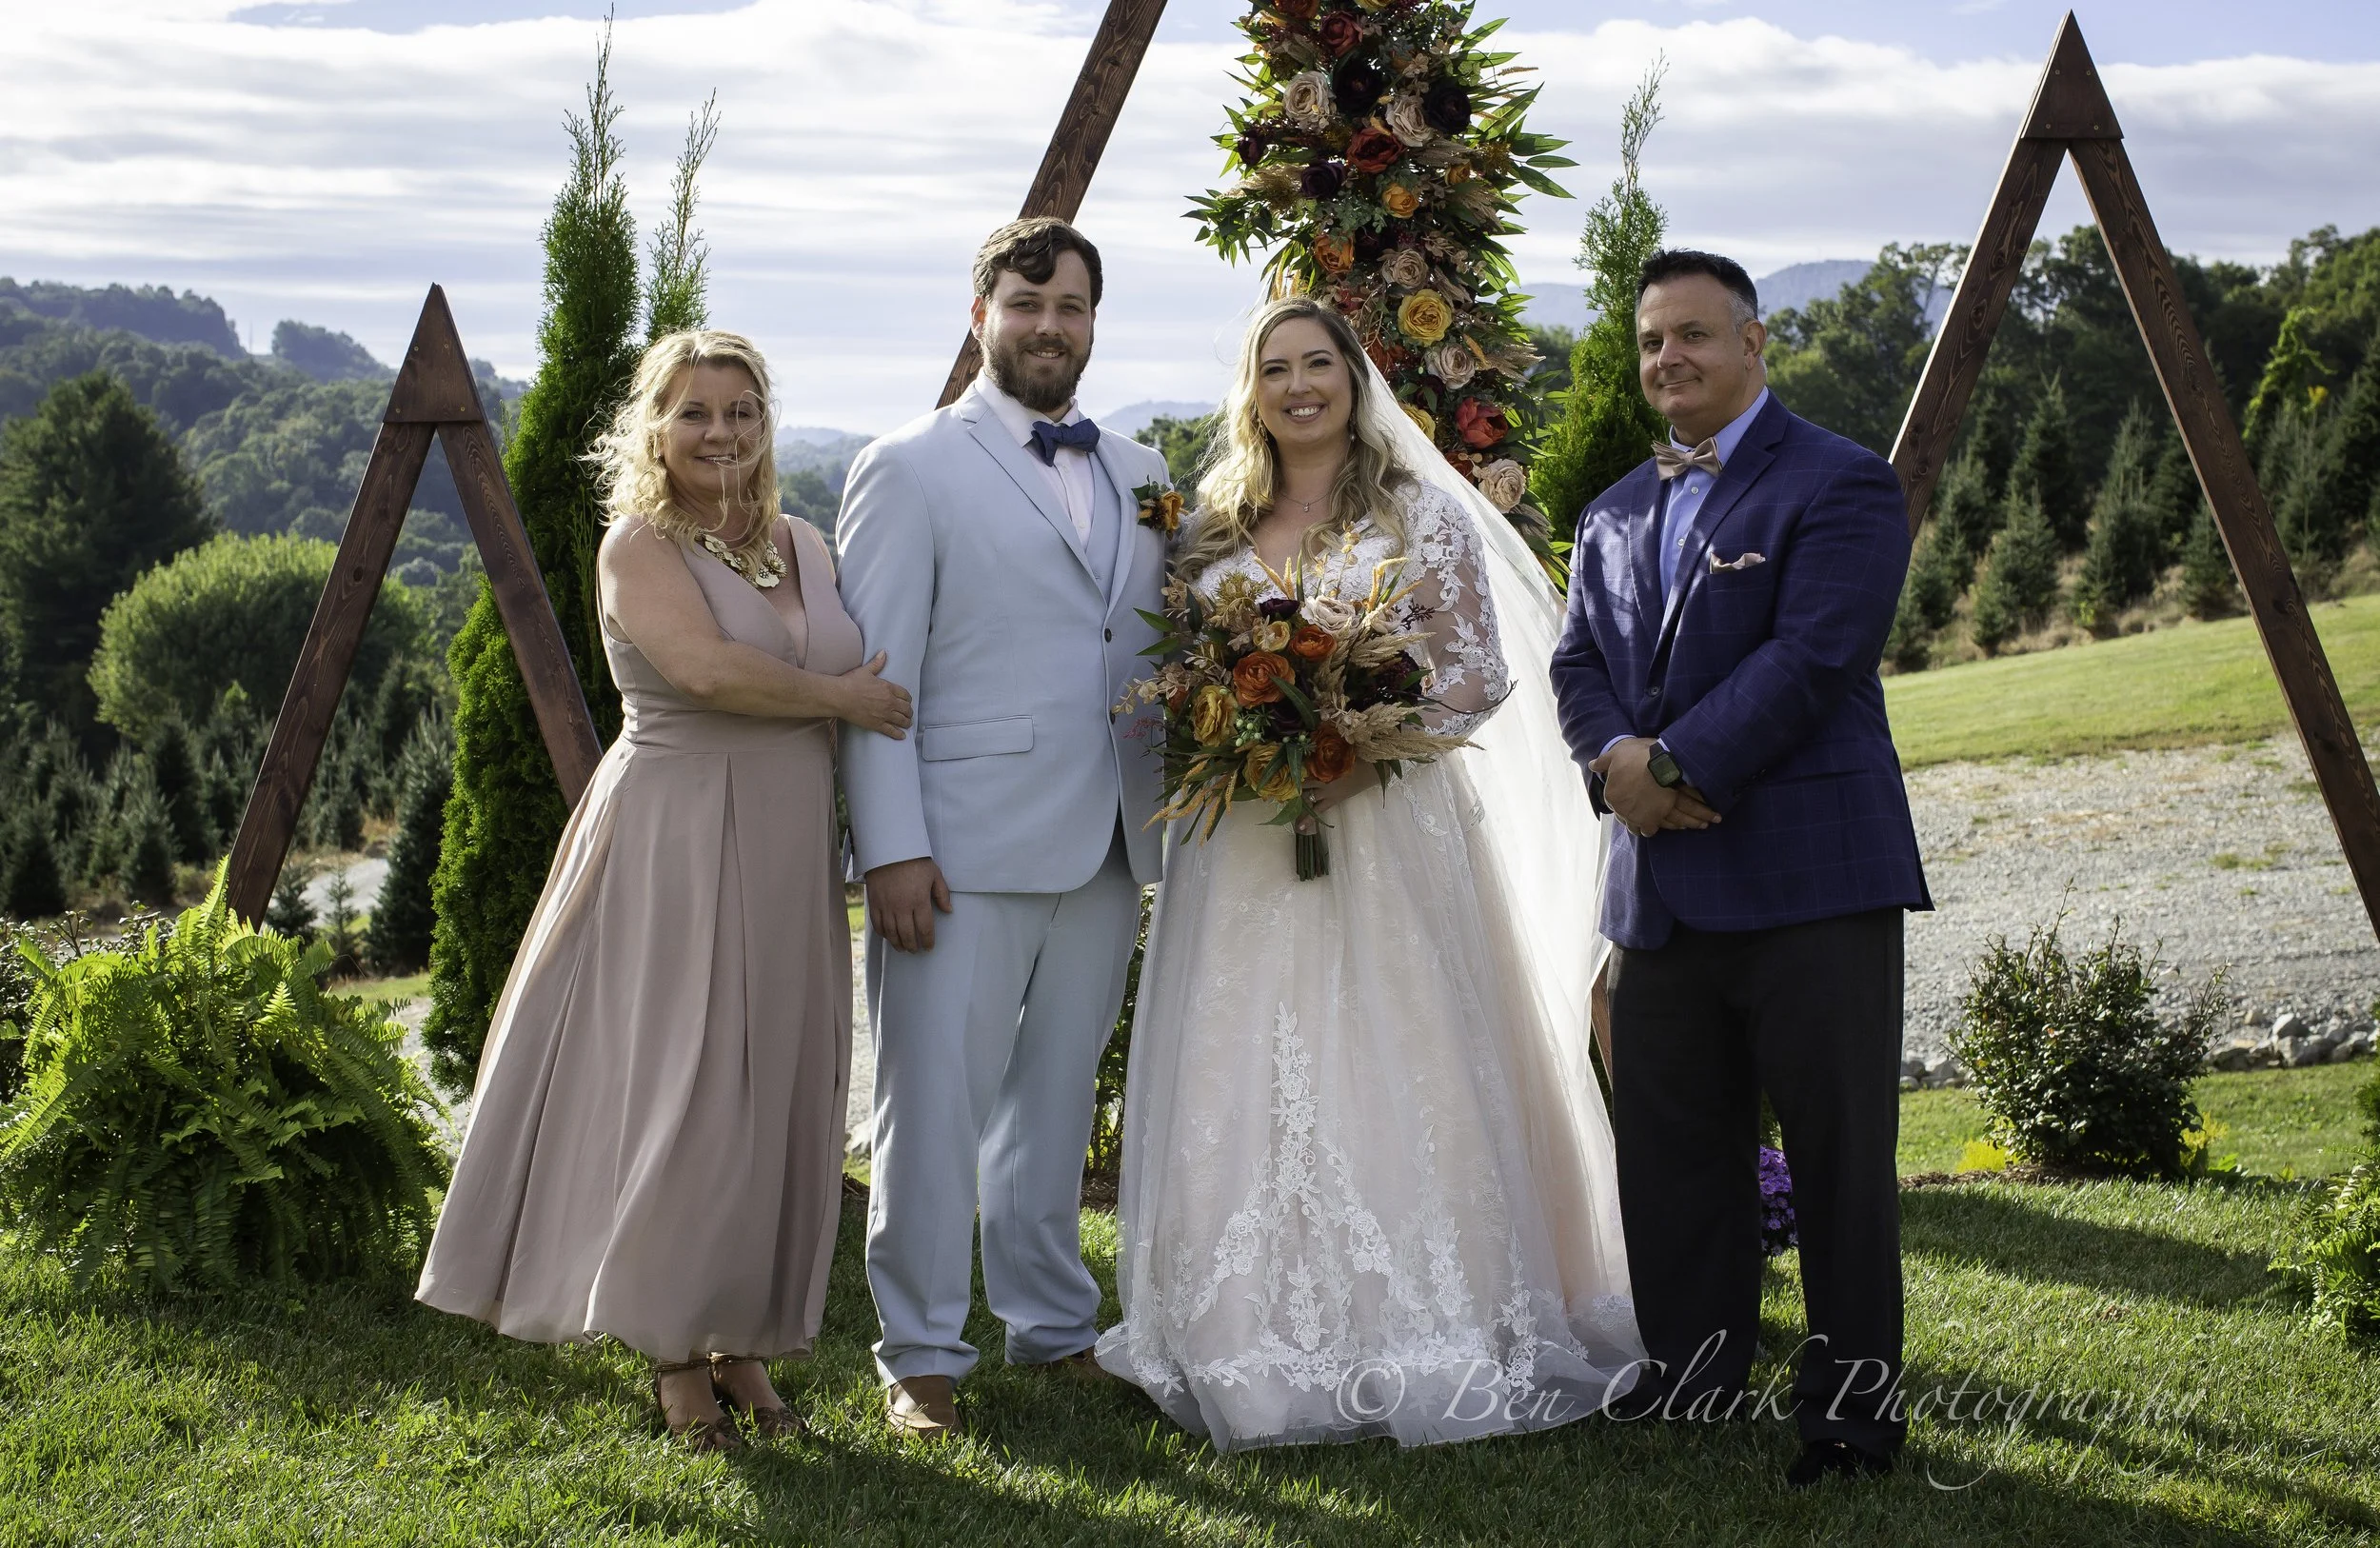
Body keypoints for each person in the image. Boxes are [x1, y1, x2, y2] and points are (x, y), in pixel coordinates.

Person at [1094, 294, 1645, 1451]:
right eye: (1275, 369)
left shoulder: (1415, 510)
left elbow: (1477, 671)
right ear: (1250, 392)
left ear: (1354, 378)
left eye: (1318, 364)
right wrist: (1246, 741)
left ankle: (1439, 1322)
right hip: (1246, 843)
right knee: (1246, 1059)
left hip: (1391, 828)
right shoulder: (1209, 526)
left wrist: (1359, 748)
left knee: (1404, 1046)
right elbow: (1185, 677)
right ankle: (1249, 1333)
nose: (1298, 387)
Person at [414, 329, 912, 1452]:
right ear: (654, 427)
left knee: (772, 1092)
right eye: (694, 412)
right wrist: (843, 699)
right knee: (684, 1090)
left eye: (741, 411)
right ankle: (676, 1362)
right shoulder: (637, 545)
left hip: (789, 840)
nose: (720, 432)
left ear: (766, 421)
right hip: (675, 833)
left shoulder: (805, 542)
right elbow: (704, 670)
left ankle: (744, 1346)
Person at [1549, 249, 1932, 1487]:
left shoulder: (1842, 480)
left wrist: (1671, 765)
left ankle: (1850, 1419)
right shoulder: (1611, 511)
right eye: (1651, 341)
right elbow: (1575, 667)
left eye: (1694, 334)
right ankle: (1693, 1375)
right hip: (1658, 889)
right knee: (1672, 1154)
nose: (1668, 358)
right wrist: (1618, 768)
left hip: (1810, 879)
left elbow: (1814, 658)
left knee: (1837, 1162)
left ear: (1755, 342)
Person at [836, 217, 1173, 1440]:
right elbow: (878, 679)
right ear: (980, 314)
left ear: (1093, 322)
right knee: (932, 1107)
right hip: (957, 848)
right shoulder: (908, 465)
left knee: (1055, 1097)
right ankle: (920, 1354)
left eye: (1070, 306)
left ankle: (1051, 1322)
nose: (1048, 326)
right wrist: (890, 847)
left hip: (1110, 837)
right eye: (1025, 304)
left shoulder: (1144, 470)